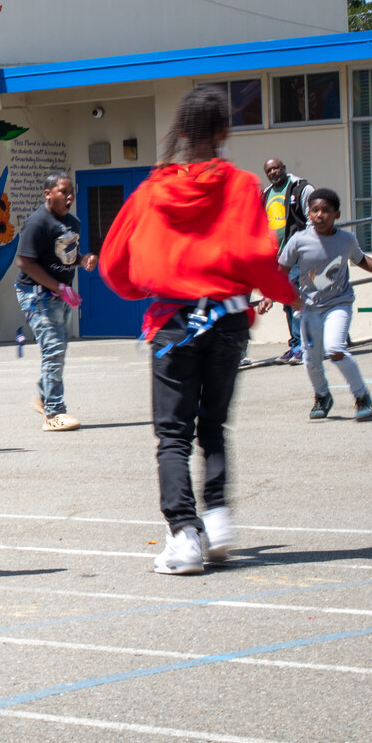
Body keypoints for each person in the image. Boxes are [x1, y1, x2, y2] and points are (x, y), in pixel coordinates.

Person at [100, 86, 299, 576]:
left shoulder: (151, 190)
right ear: (224, 132)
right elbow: (257, 255)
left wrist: (138, 289)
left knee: (172, 435)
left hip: (174, 321)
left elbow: (112, 261)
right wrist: (287, 292)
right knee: (213, 425)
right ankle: (219, 517)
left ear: (181, 133)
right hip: (228, 319)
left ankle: (185, 535)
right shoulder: (241, 184)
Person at [273, 187, 372, 422]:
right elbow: (280, 271)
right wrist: (271, 296)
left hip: (338, 304)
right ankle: (322, 395)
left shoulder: (346, 240)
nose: (320, 215)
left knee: (335, 349)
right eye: (315, 210)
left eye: (326, 210)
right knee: (310, 359)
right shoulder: (299, 240)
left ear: (337, 214)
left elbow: (361, 260)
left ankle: (362, 396)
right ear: (309, 214)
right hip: (309, 308)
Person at [13, 173, 94, 432]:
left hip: (59, 294)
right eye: (62, 192)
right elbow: (25, 262)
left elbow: (65, 253)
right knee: (54, 349)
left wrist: (82, 260)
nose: (69, 197)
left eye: (71, 192)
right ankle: (54, 413)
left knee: (57, 349)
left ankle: (44, 397)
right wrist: (57, 286)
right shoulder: (37, 223)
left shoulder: (72, 222)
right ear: (48, 193)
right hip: (37, 294)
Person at [262, 158, 314, 363]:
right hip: (278, 256)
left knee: (296, 297)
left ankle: (303, 346)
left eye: (277, 168)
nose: (274, 172)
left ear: (284, 168)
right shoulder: (266, 194)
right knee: (287, 299)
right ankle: (296, 345)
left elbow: (311, 218)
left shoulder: (301, 188)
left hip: (298, 254)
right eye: (269, 170)